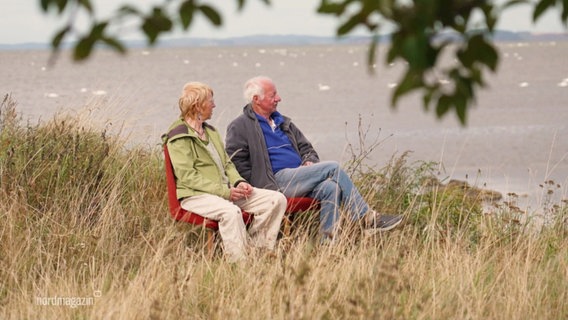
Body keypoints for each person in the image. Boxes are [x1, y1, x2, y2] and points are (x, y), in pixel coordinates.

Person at [225, 76, 402, 242]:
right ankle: (366, 217)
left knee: (330, 187)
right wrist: (261, 185)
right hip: (274, 181)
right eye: (273, 95)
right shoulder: (240, 126)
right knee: (332, 167)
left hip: (299, 177)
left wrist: (309, 161)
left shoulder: (283, 122)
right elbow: (236, 162)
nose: (279, 98)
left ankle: (328, 245)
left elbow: (307, 148)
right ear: (257, 99)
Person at [162, 81, 287, 262]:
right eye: (210, 101)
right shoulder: (178, 136)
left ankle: (258, 251)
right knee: (231, 212)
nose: (214, 105)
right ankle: (239, 264)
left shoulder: (210, 131)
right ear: (198, 105)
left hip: (225, 191)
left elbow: (227, 164)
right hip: (195, 196)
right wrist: (226, 192)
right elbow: (188, 177)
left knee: (276, 200)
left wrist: (239, 182)